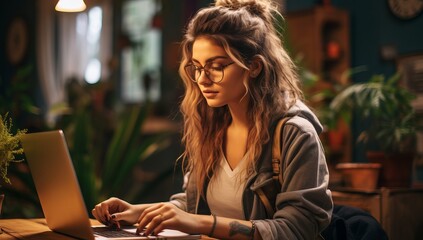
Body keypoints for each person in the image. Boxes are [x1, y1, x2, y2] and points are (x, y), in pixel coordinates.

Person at [92, 0, 333, 239]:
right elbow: (192, 204)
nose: (202, 79)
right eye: (196, 67)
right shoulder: (211, 125)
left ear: (255, 67)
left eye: (216, 66)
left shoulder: (295, 134)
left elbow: (297, 229)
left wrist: (200, 224)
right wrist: (137, 212)